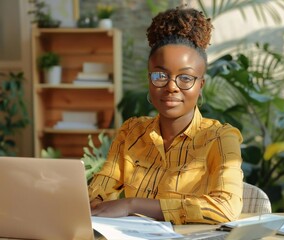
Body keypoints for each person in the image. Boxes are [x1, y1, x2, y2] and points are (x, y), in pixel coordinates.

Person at [89, 5, 244, 225]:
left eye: (185, 78)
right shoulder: (131, 132)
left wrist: (131, 204)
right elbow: (101, 188)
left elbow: (226, 207)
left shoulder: (220, 138)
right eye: (160, 75)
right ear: (149, 79)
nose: (171, 87)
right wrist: (93, 201)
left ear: (201, 85)